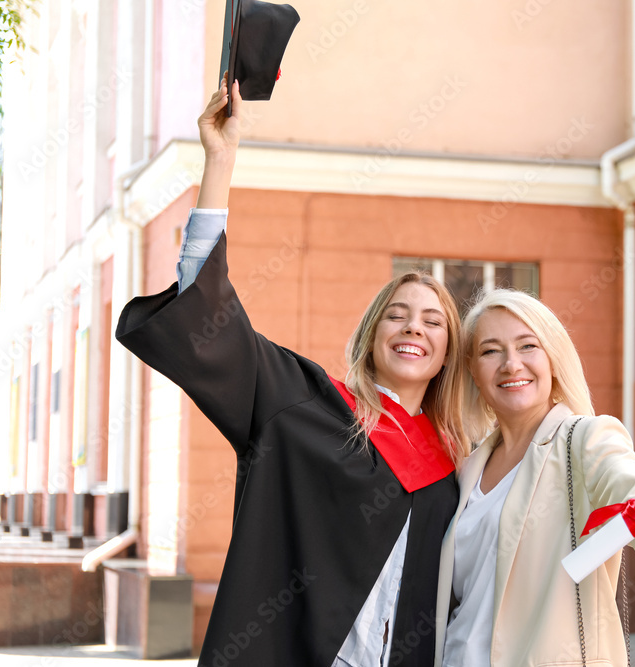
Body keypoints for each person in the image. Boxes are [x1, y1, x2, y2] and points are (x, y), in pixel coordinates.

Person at [115, 77, 468, 667]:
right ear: (371, 334)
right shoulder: (307, 403)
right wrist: (220, 161)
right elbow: (214, 322)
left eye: (434, 322)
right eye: (398, 316)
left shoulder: (456, 464)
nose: (414, 329)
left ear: (448, 350)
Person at [434, 289, 635, 667]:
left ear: (553, 359)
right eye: (491, 351)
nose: (511, 364)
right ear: (472, 370)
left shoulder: (587, 440)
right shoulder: (467, 468)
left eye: (528, 346)